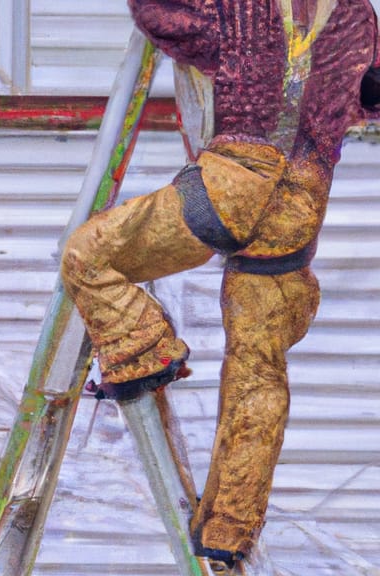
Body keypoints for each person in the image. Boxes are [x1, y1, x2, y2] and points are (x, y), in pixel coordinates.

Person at [59, 0, 380, 566]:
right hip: (302, 197)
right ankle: (228, 531)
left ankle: (145, 351)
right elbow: (373, 93)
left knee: (88, 255)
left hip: (237, 177)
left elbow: (161, 18)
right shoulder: (356, 14)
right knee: (258, 369)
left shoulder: (241, 4)